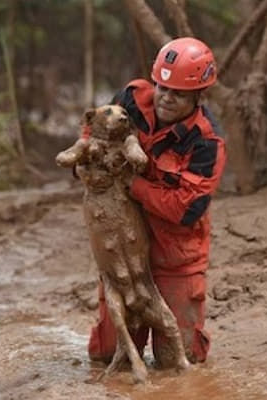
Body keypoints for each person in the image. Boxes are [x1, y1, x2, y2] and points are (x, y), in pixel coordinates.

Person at [87, 37, 226, 366]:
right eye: (162, 87)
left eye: (178, 93)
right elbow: (92, 130)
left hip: (176, 254)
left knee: (179, 359)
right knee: (109, 356)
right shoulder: (130, 101)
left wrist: (131, 183)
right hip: (123, 245)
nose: (166, 98)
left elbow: (185, 208)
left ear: (198, 95)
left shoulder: (206, 143)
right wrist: (88, 159)